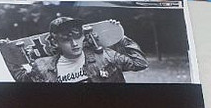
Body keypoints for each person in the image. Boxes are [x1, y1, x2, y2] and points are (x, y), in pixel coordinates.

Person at [12, 16, 149, 84]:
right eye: (66, 39)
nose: (74, 43)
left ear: (83, 36)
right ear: (55, 42)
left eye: (77, 36)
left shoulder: (105, 56)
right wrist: (7, 52)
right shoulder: (42, 66)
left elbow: (140, 63)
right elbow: (22, 79)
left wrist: (119, 35)